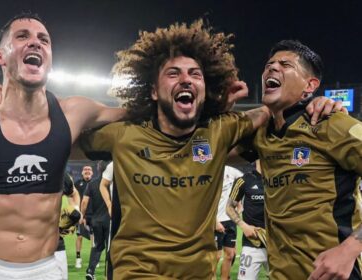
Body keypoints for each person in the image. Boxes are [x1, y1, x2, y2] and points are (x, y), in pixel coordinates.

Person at [79, 20, 337, 279]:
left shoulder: (221, 130)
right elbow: (59, 141)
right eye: (173, 73)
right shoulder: (123, 135)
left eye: (195, 74)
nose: (186, 80)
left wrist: (315, 102)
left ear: (206, 88)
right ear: (154, 91)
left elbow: (271, 110)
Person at [0, 12, 125, 279]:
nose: (35, 43)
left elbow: (136, 113)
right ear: (0, 56)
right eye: (22, 36)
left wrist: (212, 98)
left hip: (46, 268)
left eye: (43, 40)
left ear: (49, 58)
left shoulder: (72, 112)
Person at [234, 40, 362, 279]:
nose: (272, 68)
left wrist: (351, 247)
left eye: (285, 64)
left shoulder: (332, 124)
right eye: (269, 64)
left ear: (310, 85)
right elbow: (208, 151)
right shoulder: (262, 136)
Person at [226, 160, 268, 279]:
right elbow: (229, 207)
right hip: (252, 245)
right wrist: (243, 226)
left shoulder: (279, 180)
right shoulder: (244, 180)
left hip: (276, 245)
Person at [81, 161, 111, 280]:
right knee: (110, 247)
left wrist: (82, 216)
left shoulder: (92, 183)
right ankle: (109, 274)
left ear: (98, 169)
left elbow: (84, 202)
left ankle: (90, 271)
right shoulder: (112, 183)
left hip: (96, 221)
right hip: (110, 220)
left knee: (97, 246)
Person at [215, 165, 243, 280]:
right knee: (215, 257)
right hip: (216, 221)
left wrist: (239, 203)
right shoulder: (211, 171)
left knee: (230, 255)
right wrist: (215, 222)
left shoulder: (232, 170)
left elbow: (243, 183)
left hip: (229, 220)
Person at [56, 172, 81, 280]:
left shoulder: (61, 175)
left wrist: (76, 210)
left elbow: (74, 193)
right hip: (21, 245)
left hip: (55, 243)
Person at [75, 164, 94, 269]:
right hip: (80, 215)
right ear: (82, 172)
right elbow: (72, 197)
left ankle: (93, 259)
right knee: (79, 236)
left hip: (93, 214)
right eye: (85, 169)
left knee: (93, 237)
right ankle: (78, 258)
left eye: (89, 169)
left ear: (92, 172)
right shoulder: (77, 184)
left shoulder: (96, 183)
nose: (87, 171)